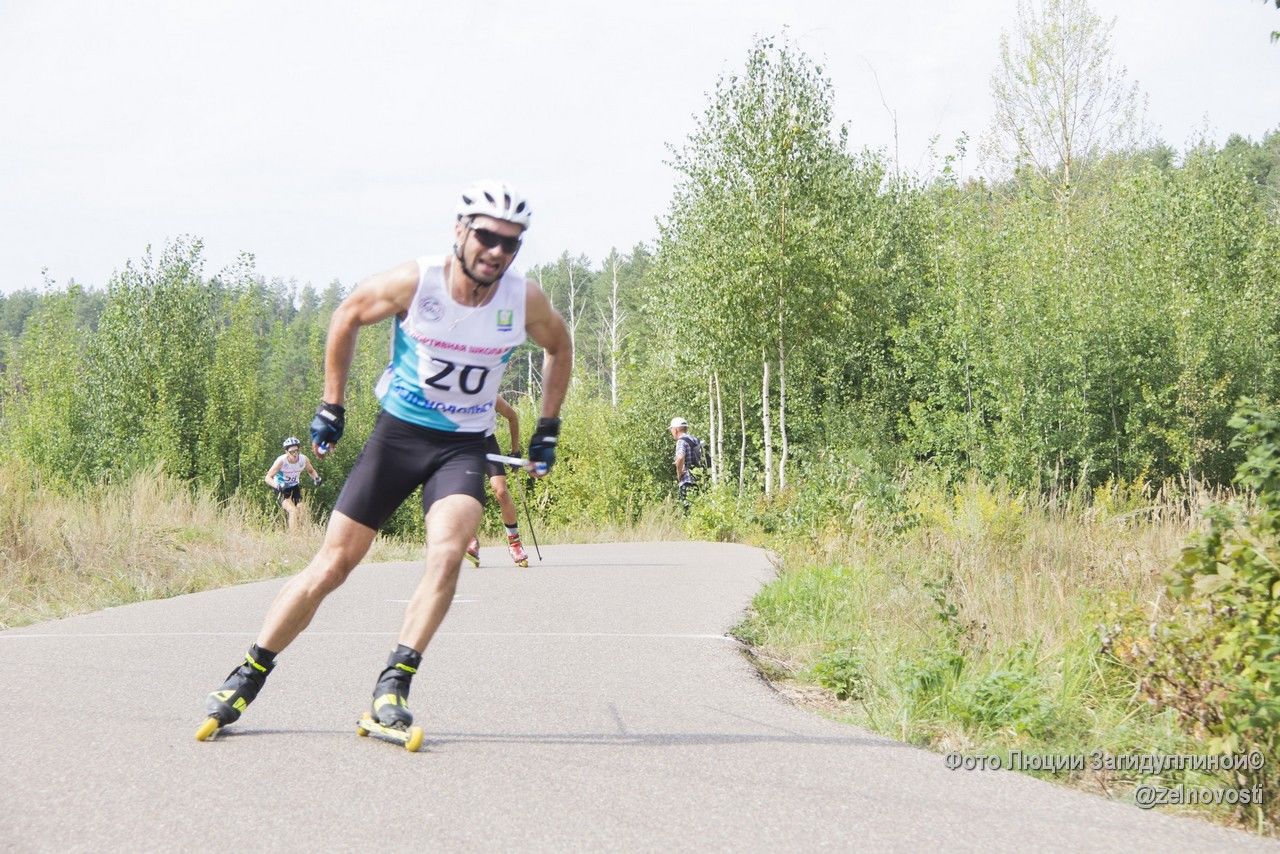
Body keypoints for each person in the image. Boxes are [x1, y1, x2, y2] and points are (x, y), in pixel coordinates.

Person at [199, 180, 572, 738]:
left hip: (463, 446)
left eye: (512, 244)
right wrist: (332, 403)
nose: (498, 251)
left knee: (447, 554)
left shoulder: (523, 299)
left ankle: (393, 684)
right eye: (488, 237)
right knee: (333, 564)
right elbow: (347, 314)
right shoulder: (416, 282)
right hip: (398, 436)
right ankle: (248, 673)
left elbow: (559, 347)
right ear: (460, 232)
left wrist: (548, 424)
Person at [464, 396, 531, 568]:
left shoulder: (489, 394)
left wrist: (515, 451)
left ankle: (515, 544)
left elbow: (512, 416)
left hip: (487, 443)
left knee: (500, 491)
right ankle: (471, 539)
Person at [264, 437, 321, 531]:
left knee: (302, 510)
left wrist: (316, 478)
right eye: (292, 452)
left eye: (297, 451)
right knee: (293, 511)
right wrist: (278, 486)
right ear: (286, 452)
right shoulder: (281, 461)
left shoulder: (303, 459)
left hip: (294, 487)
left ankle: (302, 532)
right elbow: (267, 478)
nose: (295, 454)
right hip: (282, 489)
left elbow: (311, 471)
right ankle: (294, 537)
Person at [669, 417, 700, 513]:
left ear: (676, 429)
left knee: (686, 510)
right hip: (699, 479)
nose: (671, 432)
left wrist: (679, 473)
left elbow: (680, 457)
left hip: (687, 480)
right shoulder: (695, 440)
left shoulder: (681, 441)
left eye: (671, 430)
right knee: (697, 509)